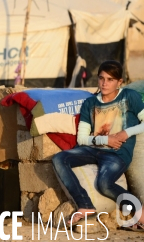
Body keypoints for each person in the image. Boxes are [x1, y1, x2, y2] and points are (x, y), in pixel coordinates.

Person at [52, 60, 144, 231]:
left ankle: (140, 213)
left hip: (117, 154)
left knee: (104, 183)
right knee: (59, 158)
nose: (104, 83)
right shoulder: (90, 103)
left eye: (110, 79)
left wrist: (126, 133)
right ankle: (85, 205)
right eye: (101, 78)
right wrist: (105, 140)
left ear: (119, 82)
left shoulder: (129, 97)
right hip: (93, 150)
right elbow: (82, 138)